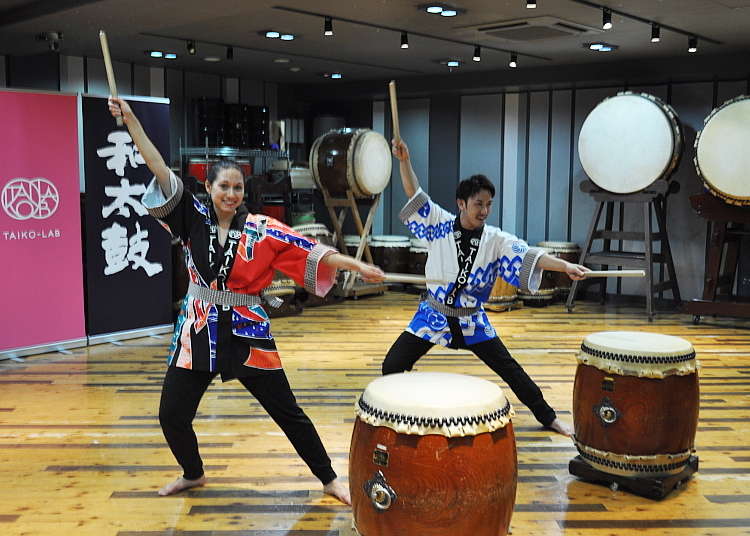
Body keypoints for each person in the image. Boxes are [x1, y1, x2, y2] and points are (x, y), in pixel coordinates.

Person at [108, 97, 385, 504]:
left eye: (238, 187)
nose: (231, 194)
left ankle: (328, 479)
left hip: (247, 331)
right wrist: (131, 121)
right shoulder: (190, 217)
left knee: (287, 411)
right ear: (208, 187)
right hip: (199, 327)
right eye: (224, 186)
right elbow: (157, 167)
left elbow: (311, 251)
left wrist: (358, 267)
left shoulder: (262, 228)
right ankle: (193, 473)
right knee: (172, 414)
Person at [382, 139, 589, 436]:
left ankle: (549, 418)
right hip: (433, 316)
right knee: (392, 365)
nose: (484, 210)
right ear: (461, 204)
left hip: (471, 319)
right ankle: (405, 407)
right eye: (479, 203)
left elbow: (530, 254)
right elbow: (414, 193)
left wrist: (567, 267)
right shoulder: (438, 225)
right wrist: (404, 160)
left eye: (489, 204)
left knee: (510, 369)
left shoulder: (495, 239)